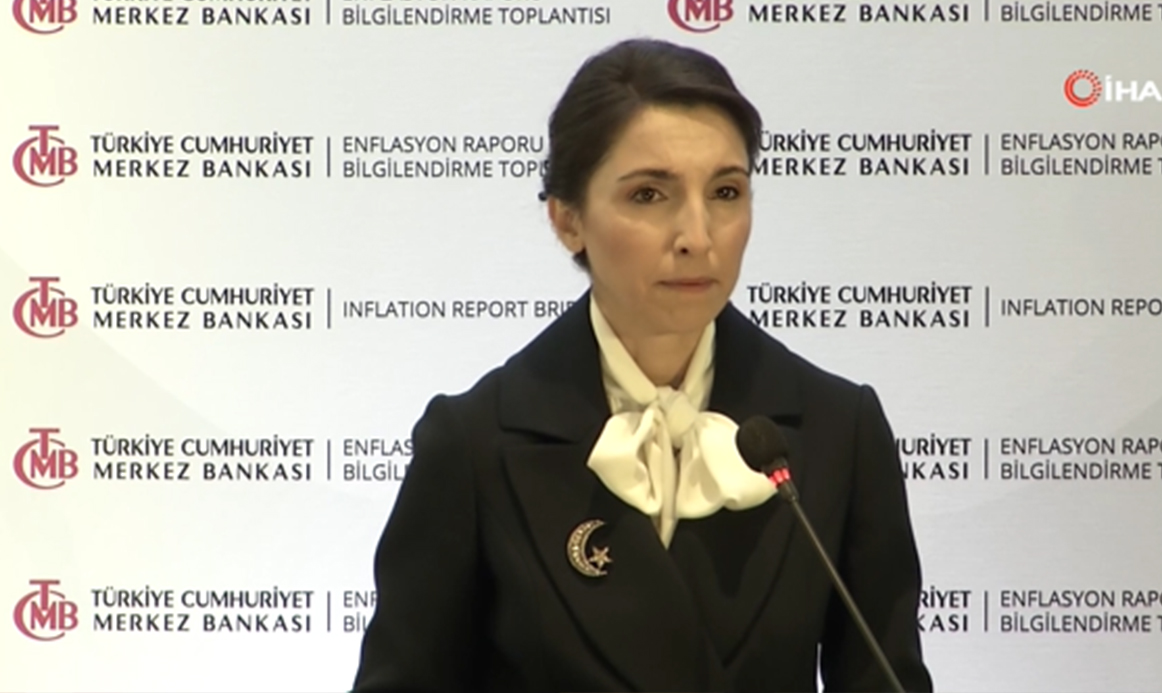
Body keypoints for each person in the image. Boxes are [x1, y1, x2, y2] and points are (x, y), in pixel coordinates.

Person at [352, 38, 933, 693]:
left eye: (726, 191)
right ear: (567, 220)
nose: (697, 236)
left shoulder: (838, 431)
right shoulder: (473, 444)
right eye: (650, 194)